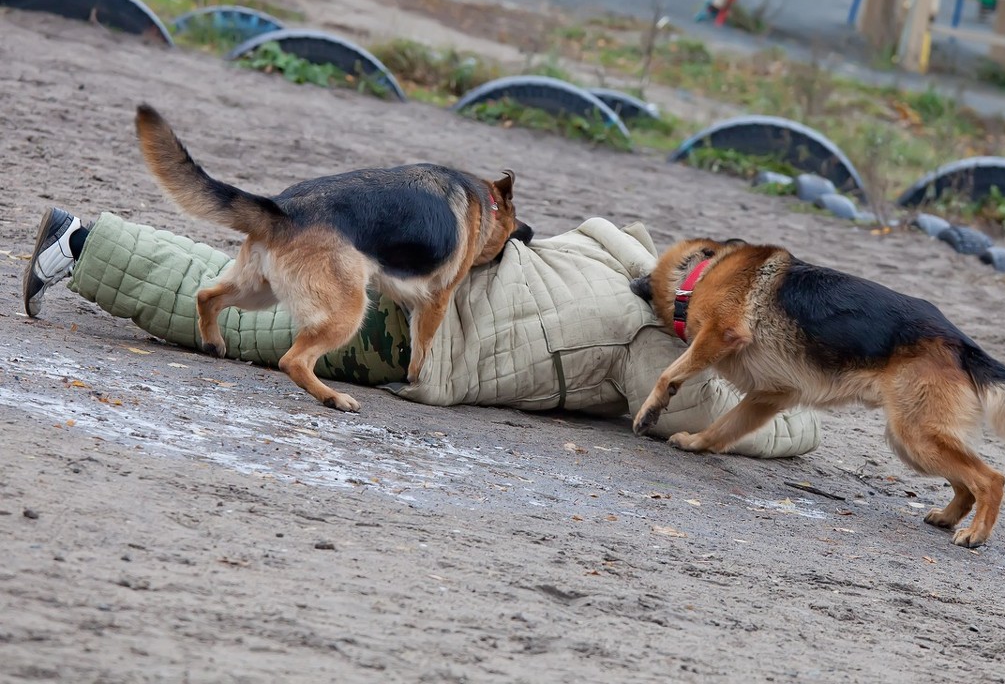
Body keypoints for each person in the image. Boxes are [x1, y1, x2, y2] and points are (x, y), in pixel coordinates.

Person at [22, 206, 822, 459]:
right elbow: (713, 421)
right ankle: (81, 245)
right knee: (242, 326)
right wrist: (802, 415)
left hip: (419, 265)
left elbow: (614, 227)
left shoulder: (614, 253)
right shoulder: (649, 357)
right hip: (412, 339)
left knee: (244, 278)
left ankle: (97, 235)